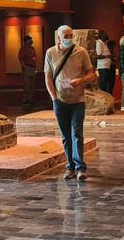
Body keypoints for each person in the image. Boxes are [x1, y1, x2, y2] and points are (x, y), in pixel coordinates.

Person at [45, 25, 96, 181]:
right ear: (59, 38)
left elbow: (91, 74)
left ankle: (80, 167)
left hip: (77, 99)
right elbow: (48, 77)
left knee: (76, 133)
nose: (69, 39)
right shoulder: (51, 53)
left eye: (70, 35)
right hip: (60, 100)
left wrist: (81, 80)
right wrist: (53, 97)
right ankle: (70, 167)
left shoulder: (81, 52)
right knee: (65, 135)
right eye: (65, 36)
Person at [18, 35, 37, 107]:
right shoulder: (23, 49)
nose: (31, 41)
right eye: (29, 40)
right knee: (27, 84)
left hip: (33, 68)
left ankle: (30, 98)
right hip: (27, 67)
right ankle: (26, 98)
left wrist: (35, 68)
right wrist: (25, 67)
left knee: (32, 84)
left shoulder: (32, 48)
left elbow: (34, 59)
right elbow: (21, 59)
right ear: (26, 41)